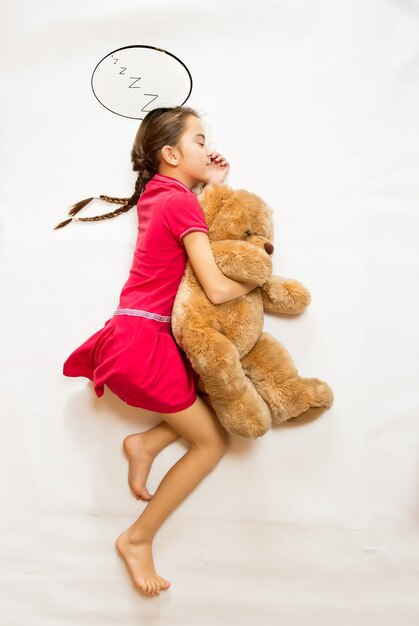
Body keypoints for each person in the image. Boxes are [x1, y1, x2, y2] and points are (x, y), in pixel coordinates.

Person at [54, 106, 260, 596]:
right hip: (144, 344)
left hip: (132, 335)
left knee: (218, 389)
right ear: (171, 153)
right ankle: (137, 537)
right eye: (199, 139)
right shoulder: (181, 203)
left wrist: (209, 181)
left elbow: (177, 237)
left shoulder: (158, 195)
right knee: (213, 443)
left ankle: (144, 444)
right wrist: (258, 280)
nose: (209, 147)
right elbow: (213, 286)